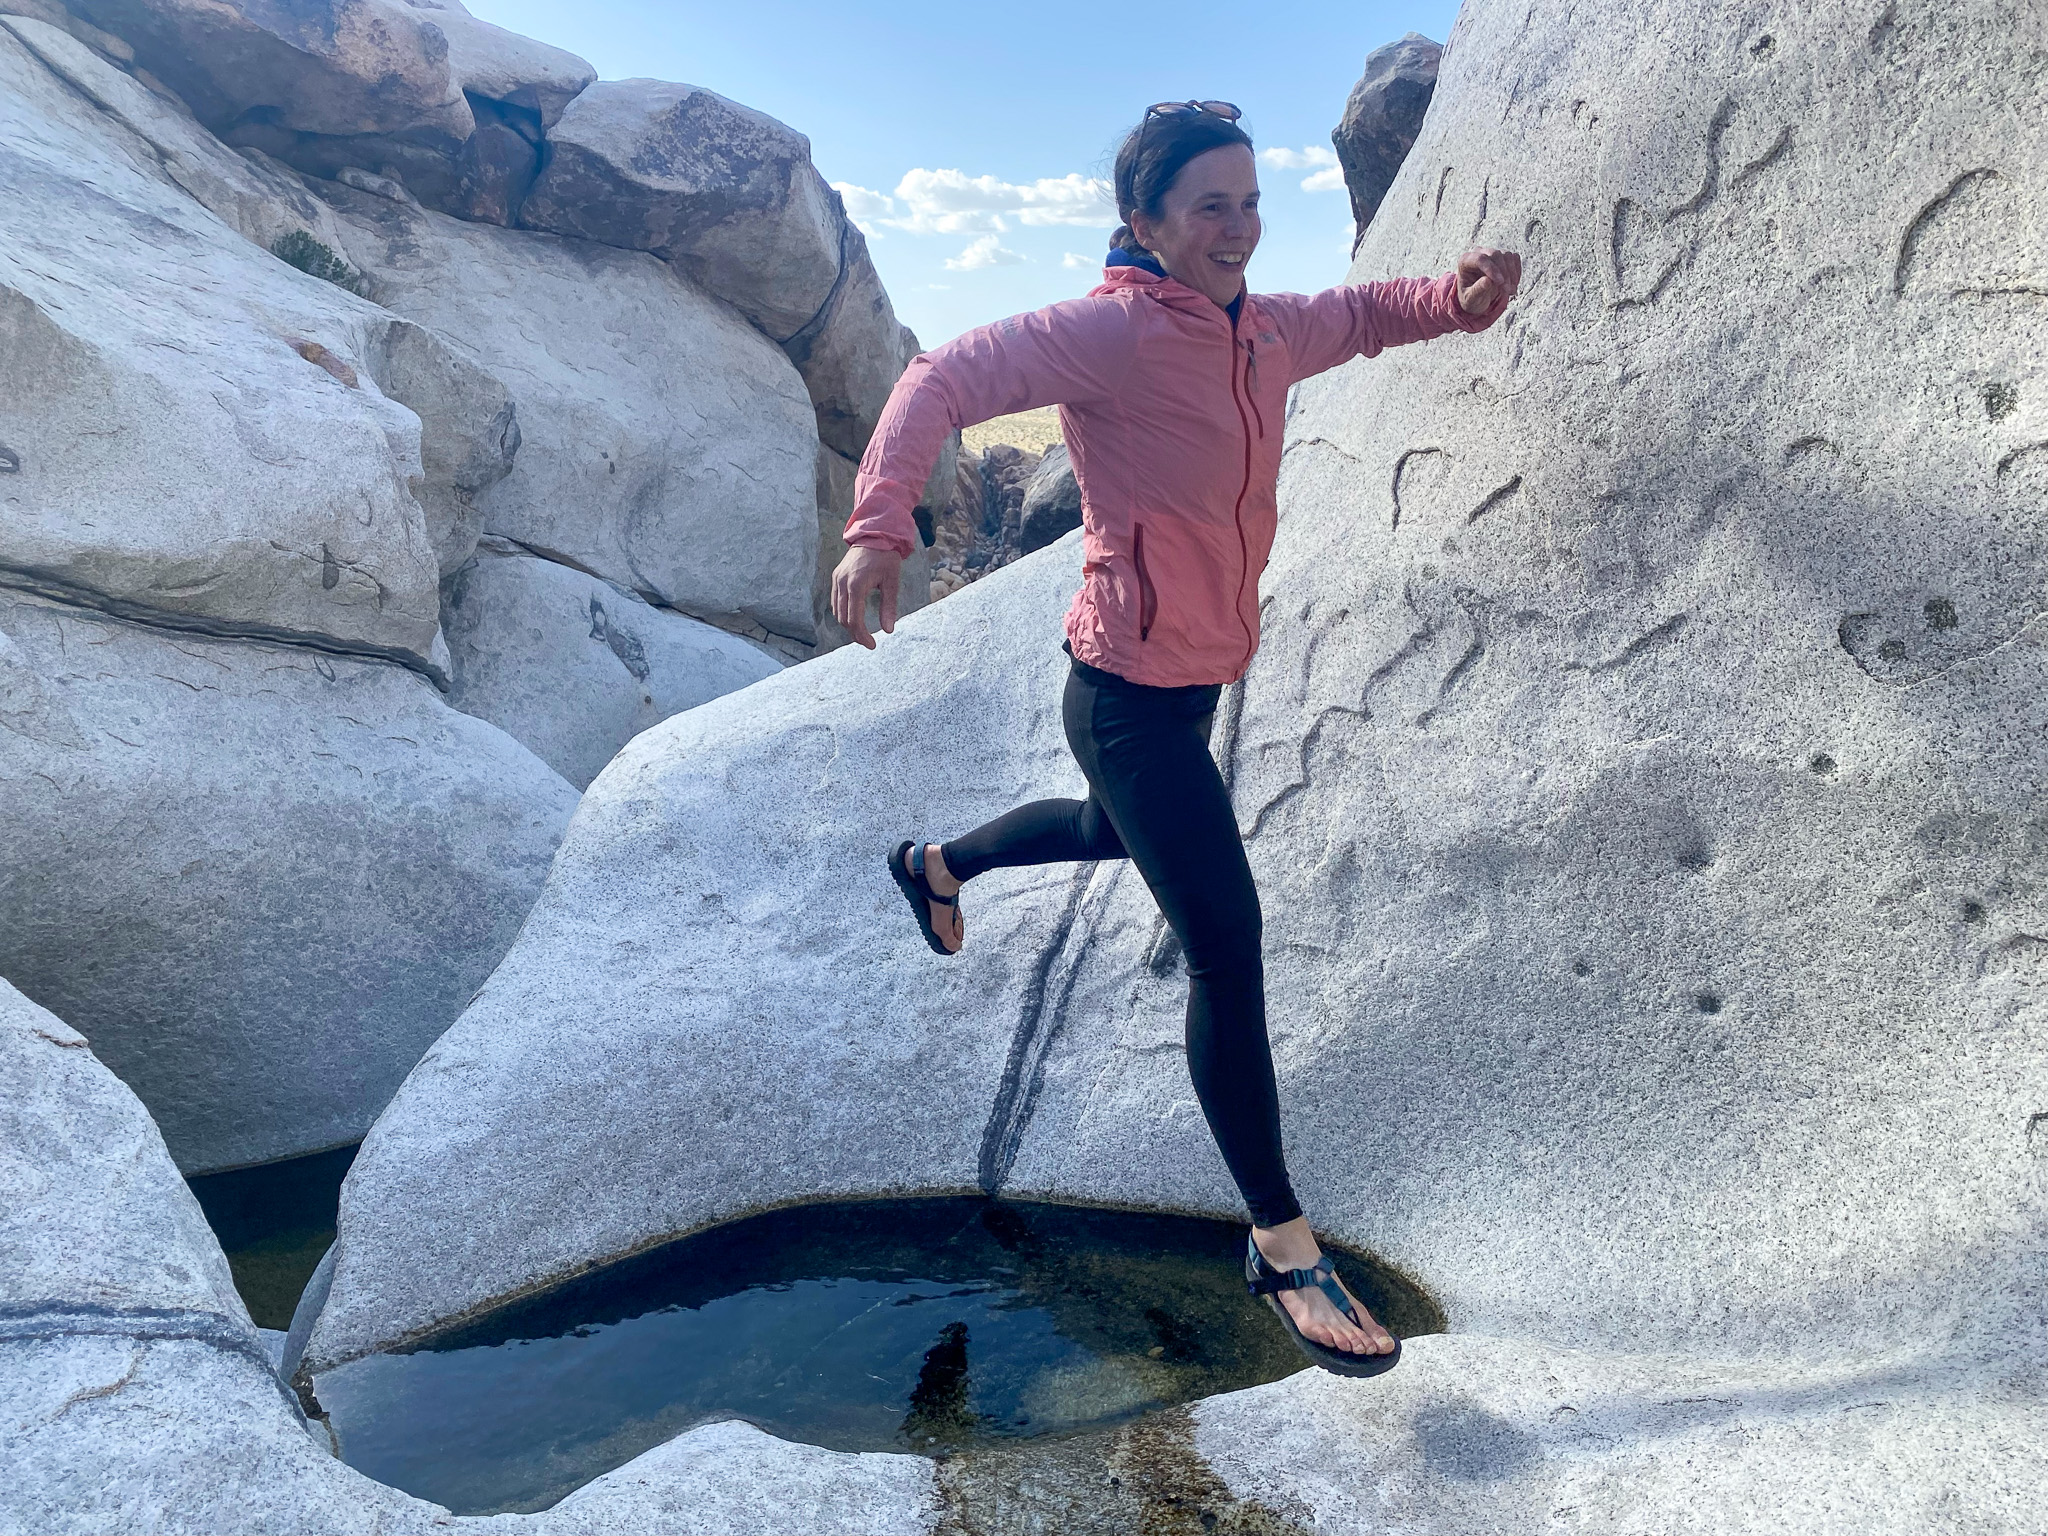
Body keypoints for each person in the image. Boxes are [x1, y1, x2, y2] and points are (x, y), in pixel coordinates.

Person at [833, 100, 1520, 1377]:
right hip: (1122, 698)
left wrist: (1458, 299)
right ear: (1143, 220)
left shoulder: (1259, 330)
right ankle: (1278, 1242)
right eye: (1211, 207)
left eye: (1251, 203)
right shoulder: (1109, 335)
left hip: (1184, 686)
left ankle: (934, 864)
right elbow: (943, 377)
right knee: (1225, 943)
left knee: (1108, 833)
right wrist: (881, 518)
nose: (1240, 229)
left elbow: (1364, 316)